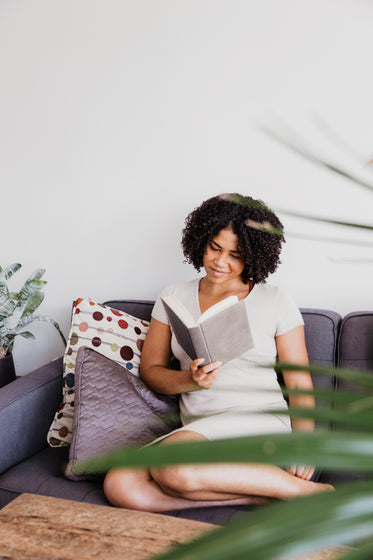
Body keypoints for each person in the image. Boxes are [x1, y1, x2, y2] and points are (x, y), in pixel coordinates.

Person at [104, 193, 333, 512]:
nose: (220, 262)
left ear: (254, 256)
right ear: (201, 240)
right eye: (215, 248)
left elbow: (298, 383)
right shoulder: (173, 295)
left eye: (235, 254)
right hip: (198, 428)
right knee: (120, 486)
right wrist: (191, 380)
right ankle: (270, 493)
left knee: (173, 467)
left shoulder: (275, 299)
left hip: (258, 422)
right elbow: (152, 371)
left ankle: (306, 493)